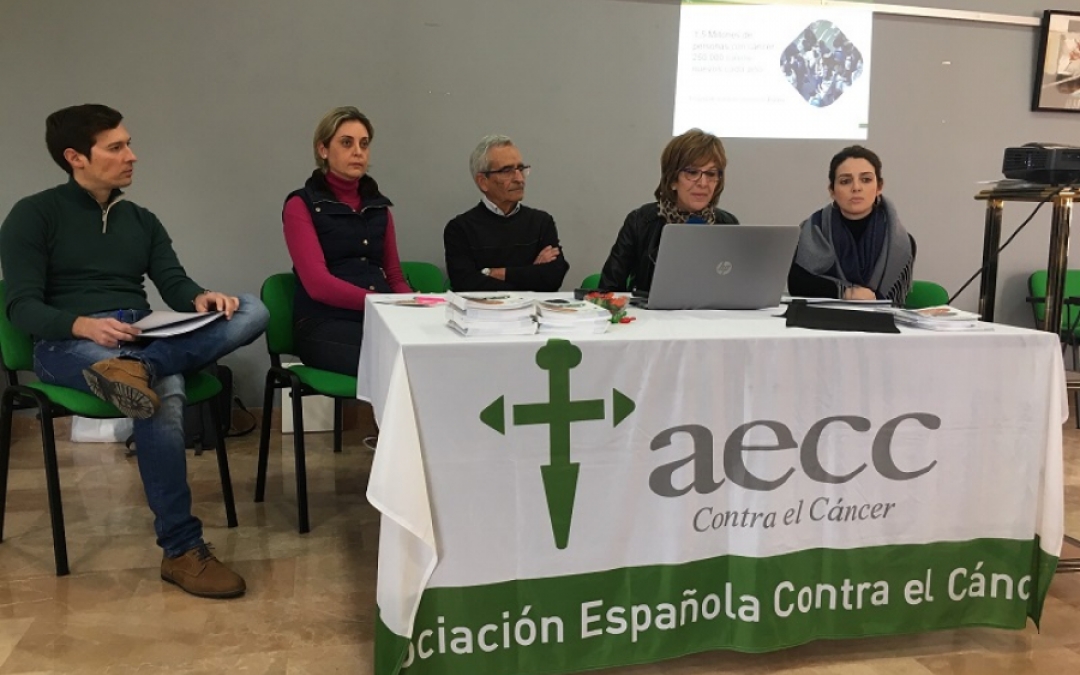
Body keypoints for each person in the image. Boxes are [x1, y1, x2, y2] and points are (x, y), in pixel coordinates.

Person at [0, 104, 269, 598]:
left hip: (141, 334)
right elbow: (20, 306)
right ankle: (182, 549)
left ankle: (136, 367)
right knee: (161, 398)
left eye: (128, 144)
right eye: (117, 147)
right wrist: (82, 324)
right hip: (68, 343)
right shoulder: (33, 215)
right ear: (75, 157)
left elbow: (173, 282)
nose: (132, 156)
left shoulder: (141, 220)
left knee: (253, 309)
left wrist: (200, 298)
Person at [282, 106, 411, 376]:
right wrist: (382, 304)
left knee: (433, 348)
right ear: (323, 149)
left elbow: (394, 275)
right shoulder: (301, 204)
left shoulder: (378, 207)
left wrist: (413, 307)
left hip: (379, 318)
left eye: (364, 144)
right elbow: (318, 284)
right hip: (323, 323)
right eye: (346, 143)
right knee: (397, 358)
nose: (358, 152)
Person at [599, 129, 739, 293]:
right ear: (673, 179)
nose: (703, 183)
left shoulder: (728, 225)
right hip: (650, 310)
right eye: (692, 172)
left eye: (711, 174)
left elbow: (736, 289)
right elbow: (608, 289)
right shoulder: (640, 221)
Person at [788, 145, 914, 304]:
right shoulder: (812, 232)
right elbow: (797, 284)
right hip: (822, 317)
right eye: (845, 181)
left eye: (866, 180)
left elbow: (895, 302)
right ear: (832, 190)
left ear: (879, 187)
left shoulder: (900, 242)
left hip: (878, 319)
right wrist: (845, 293)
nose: (856, 188)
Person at [444, 135, 569, 292]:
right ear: (483, 182)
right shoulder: (460, 229)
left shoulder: (541, 222)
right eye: (507, 171)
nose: (519, 179)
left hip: (533, 308)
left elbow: (553, 277)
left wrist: (495, 273)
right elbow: (466, 284)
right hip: (484, 308)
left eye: (521, 169)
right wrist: (530, 274)